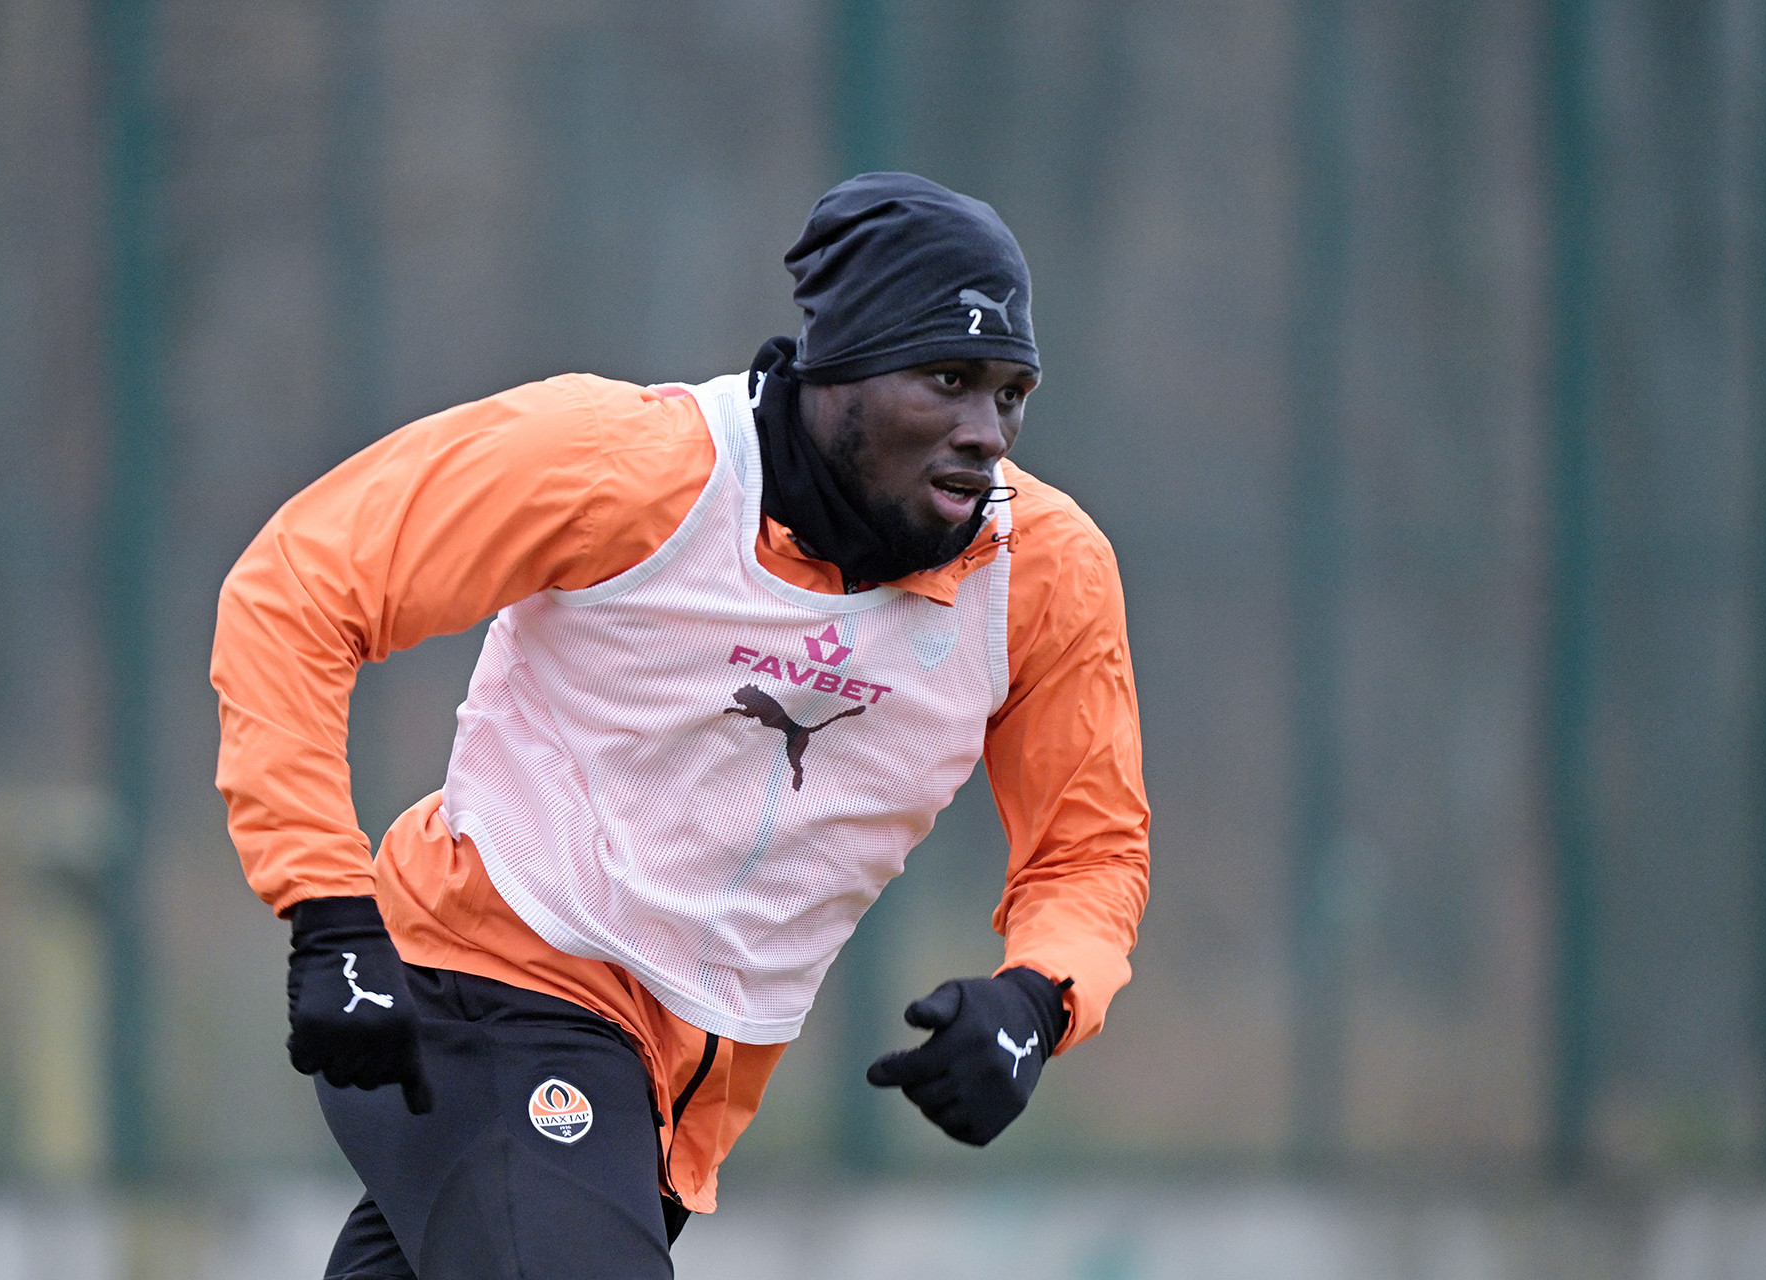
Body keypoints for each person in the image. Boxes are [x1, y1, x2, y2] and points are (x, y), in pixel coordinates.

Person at [212, 172, 1150, 1279]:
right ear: (840, 368)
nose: (985, 433)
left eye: (1010, 393)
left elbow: (1090, 853)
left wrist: (1038, 997)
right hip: (478, 986)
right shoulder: (630, 465)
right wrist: (327, 909)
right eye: (948, 380)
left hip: (669, 1096)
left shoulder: (1045, 573)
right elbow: (298, 586)